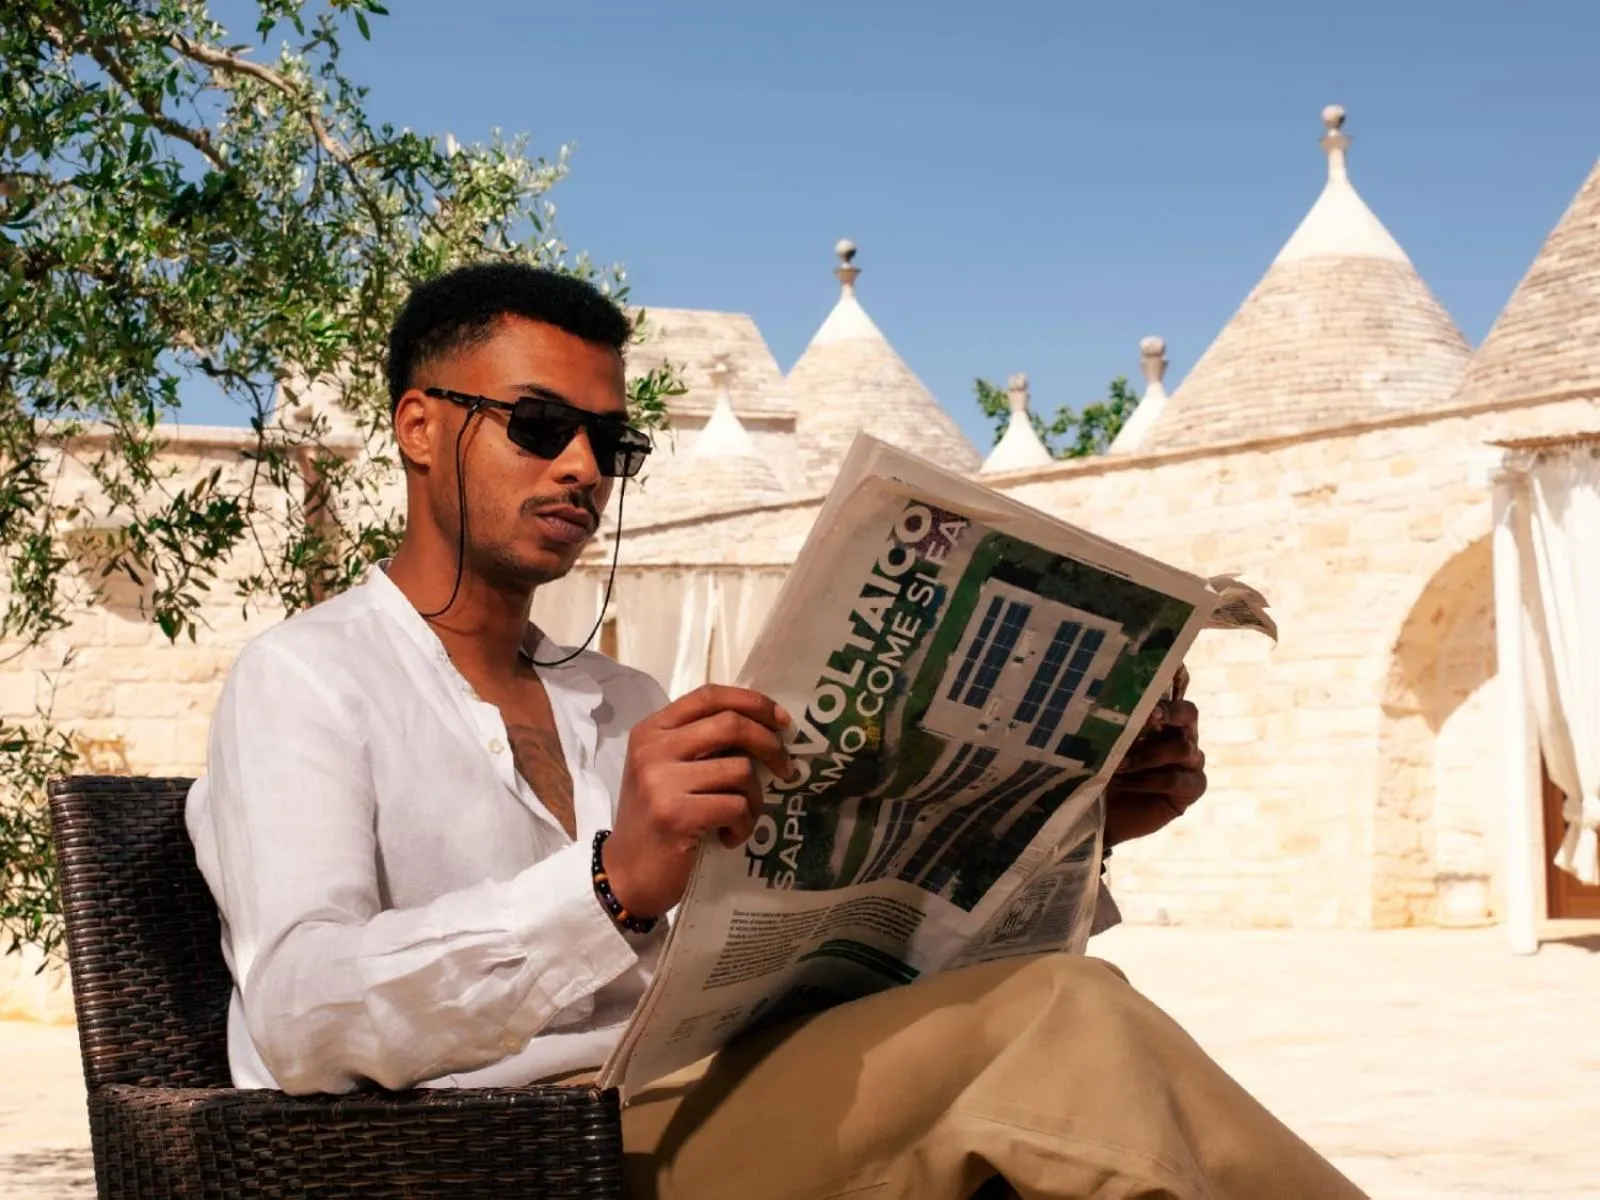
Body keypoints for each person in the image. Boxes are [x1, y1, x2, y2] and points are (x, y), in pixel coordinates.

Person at [187, 262, 1365, 1199]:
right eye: (539, 425)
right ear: (420, 426)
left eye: (613, 442)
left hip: (708, 1104)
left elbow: (805, 955)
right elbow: (299, 1012)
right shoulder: (307, 681)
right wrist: (607, 885)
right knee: (1068, 1030)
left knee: (1061, 1041)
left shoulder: (631, 699)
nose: (584, 468)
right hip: (516, 1158)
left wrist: (1075, 830)